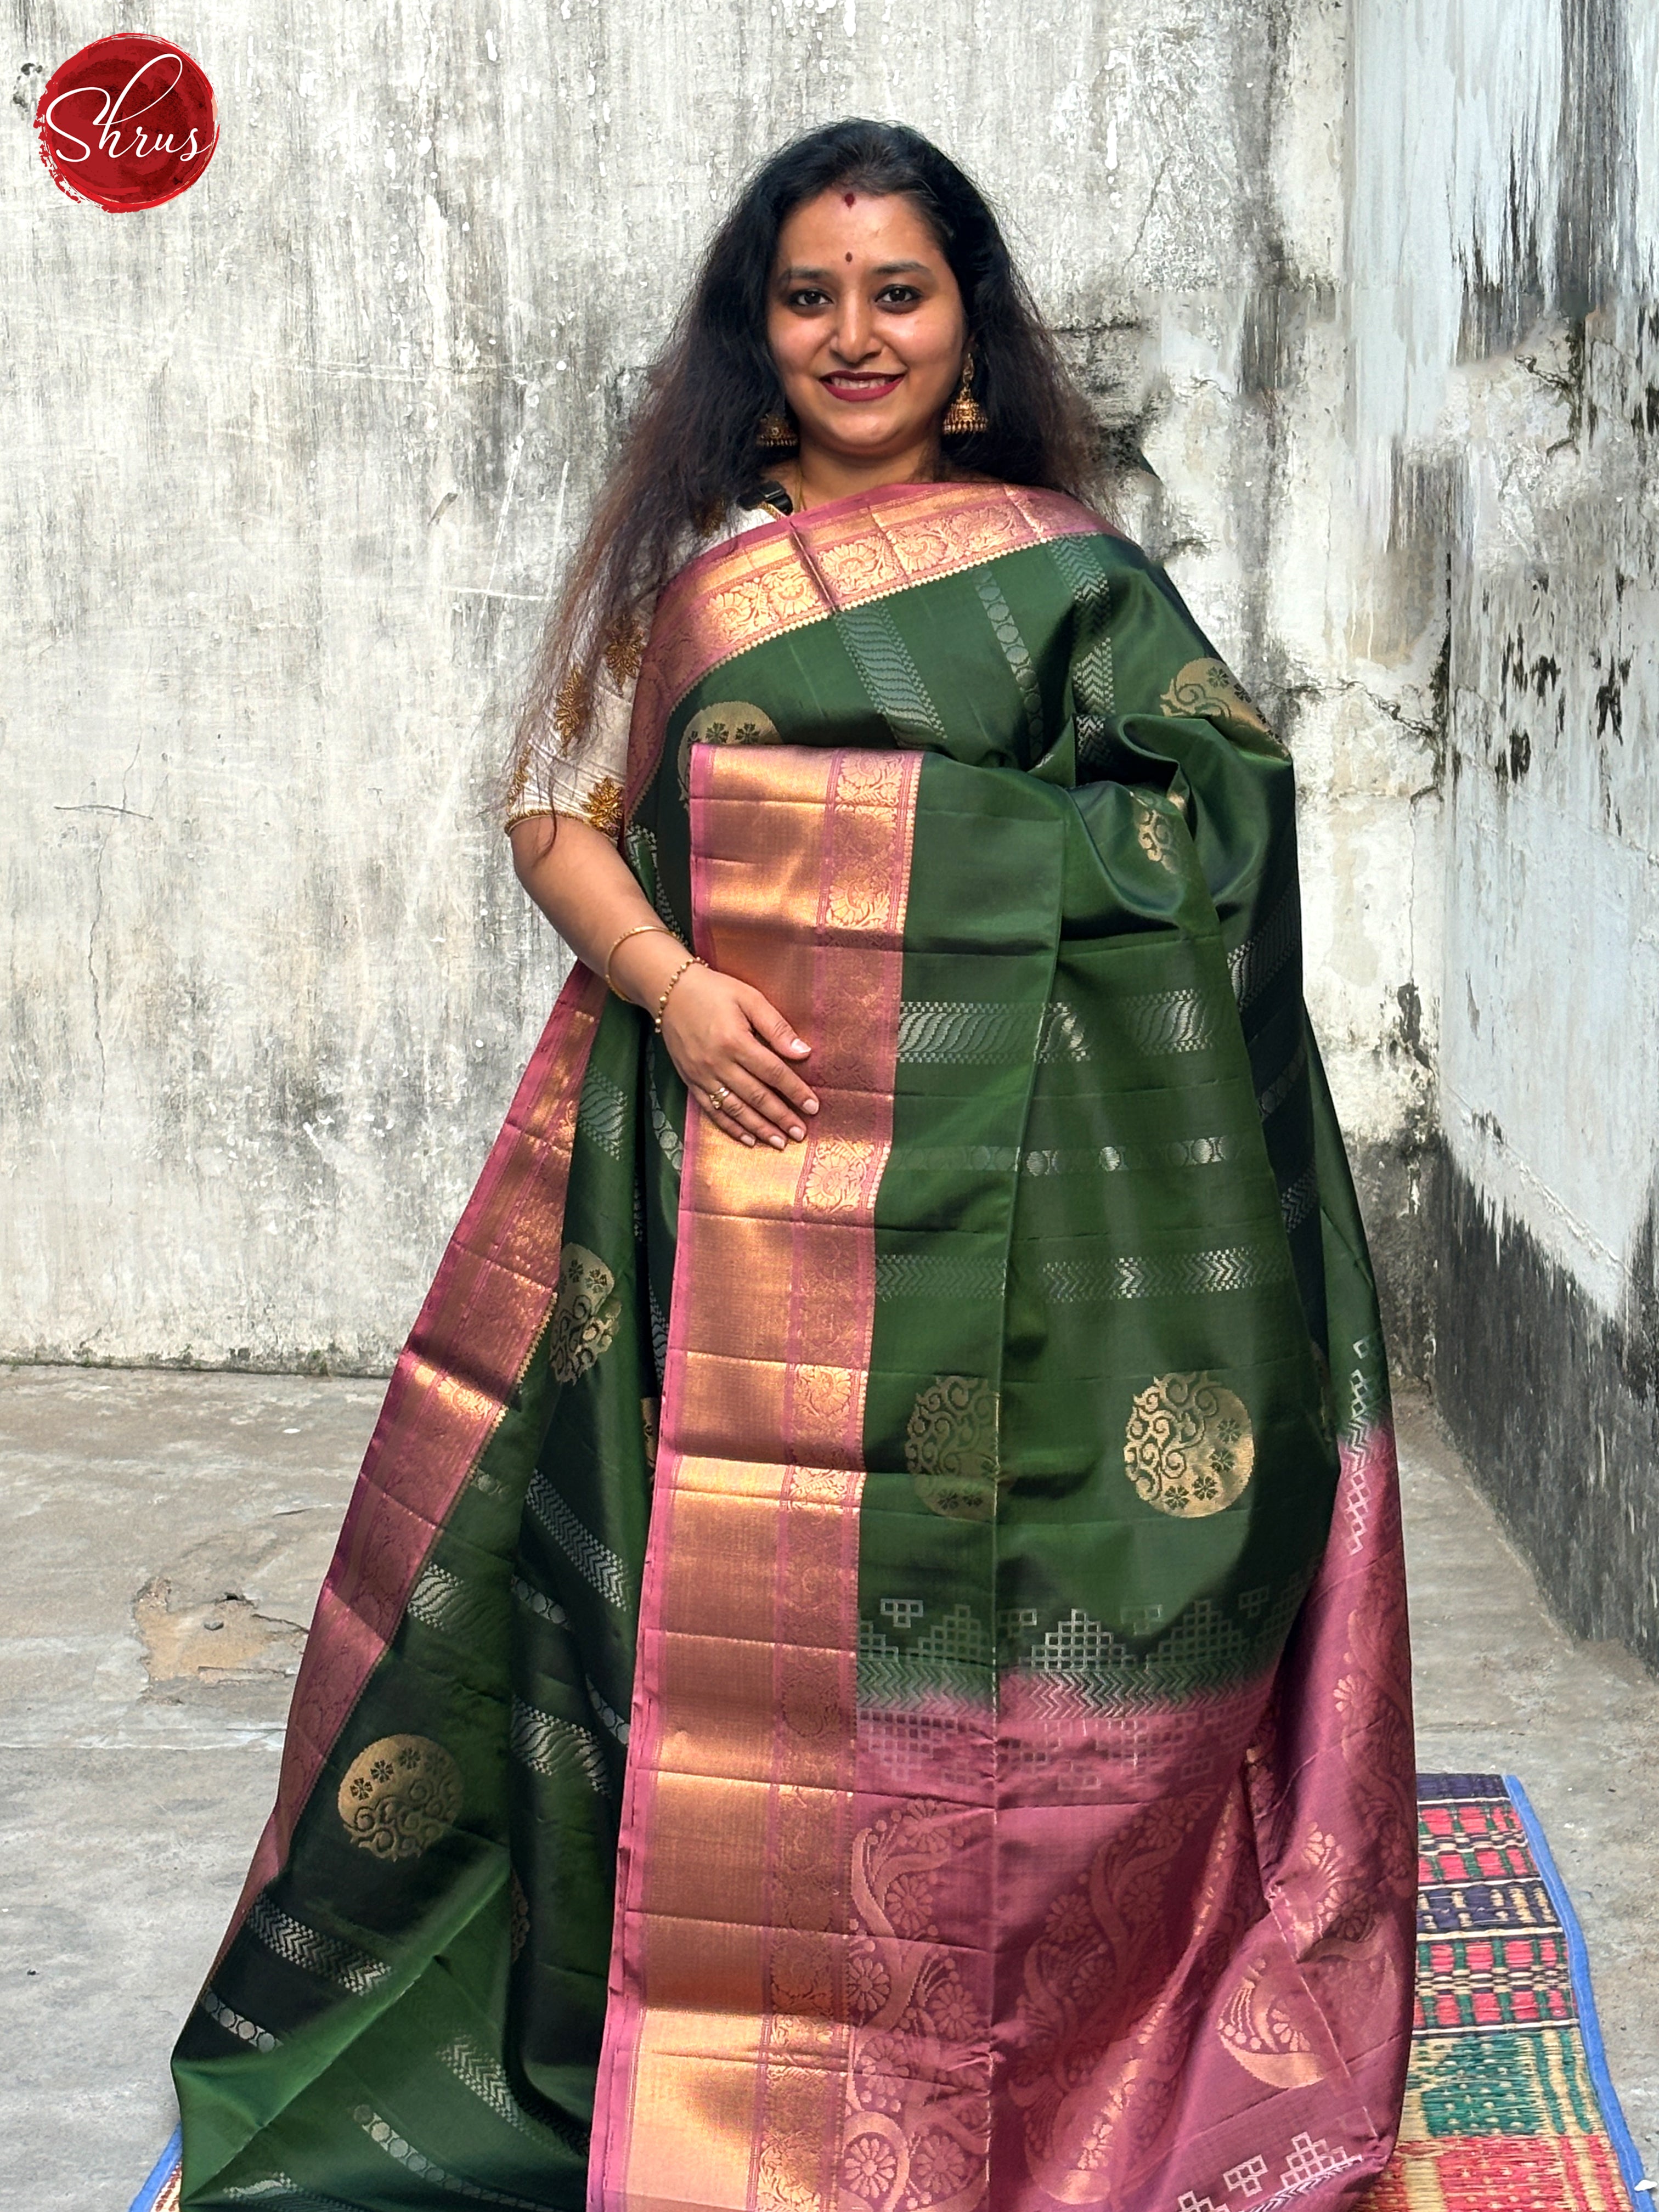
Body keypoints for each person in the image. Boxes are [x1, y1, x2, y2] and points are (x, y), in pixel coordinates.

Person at [165, 120, 1414, 2212]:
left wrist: (859, 880)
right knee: (694, 1642)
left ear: (971, 337)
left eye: (898, 293)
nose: (855, 335)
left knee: (1007, 1639)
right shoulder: (699, 587)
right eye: (810, 296)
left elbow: (1214, 843)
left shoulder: (1075, 579)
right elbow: (554, 814)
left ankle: (1044, 2053)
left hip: (1026, 1216)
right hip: (726, 1190)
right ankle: (702, 2065)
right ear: (759, 336)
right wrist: (676, 981)